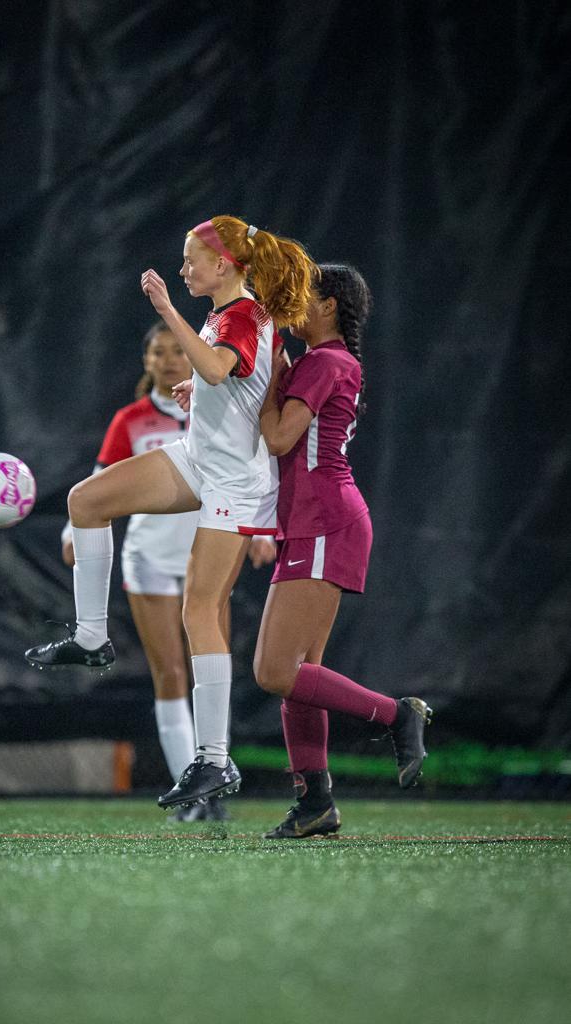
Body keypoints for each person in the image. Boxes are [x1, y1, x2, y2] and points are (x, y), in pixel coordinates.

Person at [26, 215, 316, 811]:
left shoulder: (238, 312)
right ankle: (90, 638)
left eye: (191, 260)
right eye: (182, 263)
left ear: (225, 265)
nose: (183, 270)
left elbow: (215, 365)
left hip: (233, 478)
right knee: (87, 499)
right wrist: (203, 394)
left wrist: (167, 310)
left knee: (200, 609)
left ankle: (213, 760)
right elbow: (245, 378)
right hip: (198, 456)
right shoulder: (232, 314)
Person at [60, 321, 273, 821]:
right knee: (171, 673)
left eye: (181, 349)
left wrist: (262, 529)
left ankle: (212, 767)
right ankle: (196, 794)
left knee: (208, 659)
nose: (172, 359)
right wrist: (73, 535)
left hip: (213, 543)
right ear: (147, 361)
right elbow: (98, 487)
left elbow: (248, 464)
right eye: (159, 352)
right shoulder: (131, 420)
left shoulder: (216, 402)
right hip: (151, 557)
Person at [254, 264, 433, 839]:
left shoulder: (327, 361)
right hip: (314, 521)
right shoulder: (319, 361)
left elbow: (279, 437)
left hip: (325, 521)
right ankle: (316, 805)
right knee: (297, 674)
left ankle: (396, 715)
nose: (291, 304)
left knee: (275, 671)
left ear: (329, 306)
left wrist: (268, 385)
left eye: (303, 296)